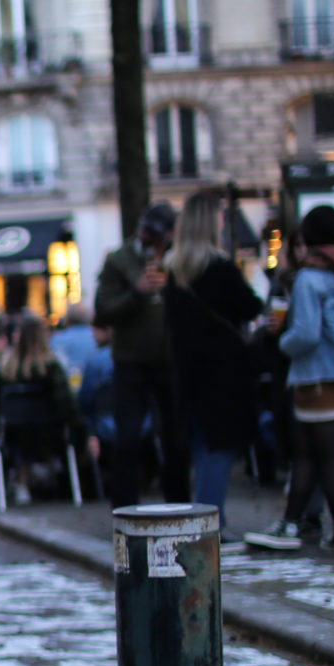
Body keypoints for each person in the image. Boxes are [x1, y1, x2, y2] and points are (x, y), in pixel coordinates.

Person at [244, 205, 334, 554]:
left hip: (319, 379)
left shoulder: (310, 280)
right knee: (313, 454)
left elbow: (305, 334)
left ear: (308, 241)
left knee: (323, 457)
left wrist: (281, 340)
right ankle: (294, 521)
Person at [164, 192, 262, 527]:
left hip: (188, 375)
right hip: (222, 375)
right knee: (218, 452)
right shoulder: (220, 269)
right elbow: (251, 306)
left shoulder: (174, 273)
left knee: (204, 450)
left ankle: (206, 521)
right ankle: (209, 526)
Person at [94, 200, 189, 507]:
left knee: (176, 438)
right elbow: (103, 310)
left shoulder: (178, 260)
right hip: (131, 362)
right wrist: (136, 293)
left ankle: (178, 506)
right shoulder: (119, 261)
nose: (154, 243)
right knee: (128, 439)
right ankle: (125, 510)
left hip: (170, 361)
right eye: (150, 235)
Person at [0, 313, 86, 505]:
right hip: (49, 432)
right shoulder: (51, 366)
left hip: (15, 432)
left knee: (22, 434)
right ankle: (56, 476)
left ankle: (22, 482)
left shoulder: (6, 368)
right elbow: (65, 402)